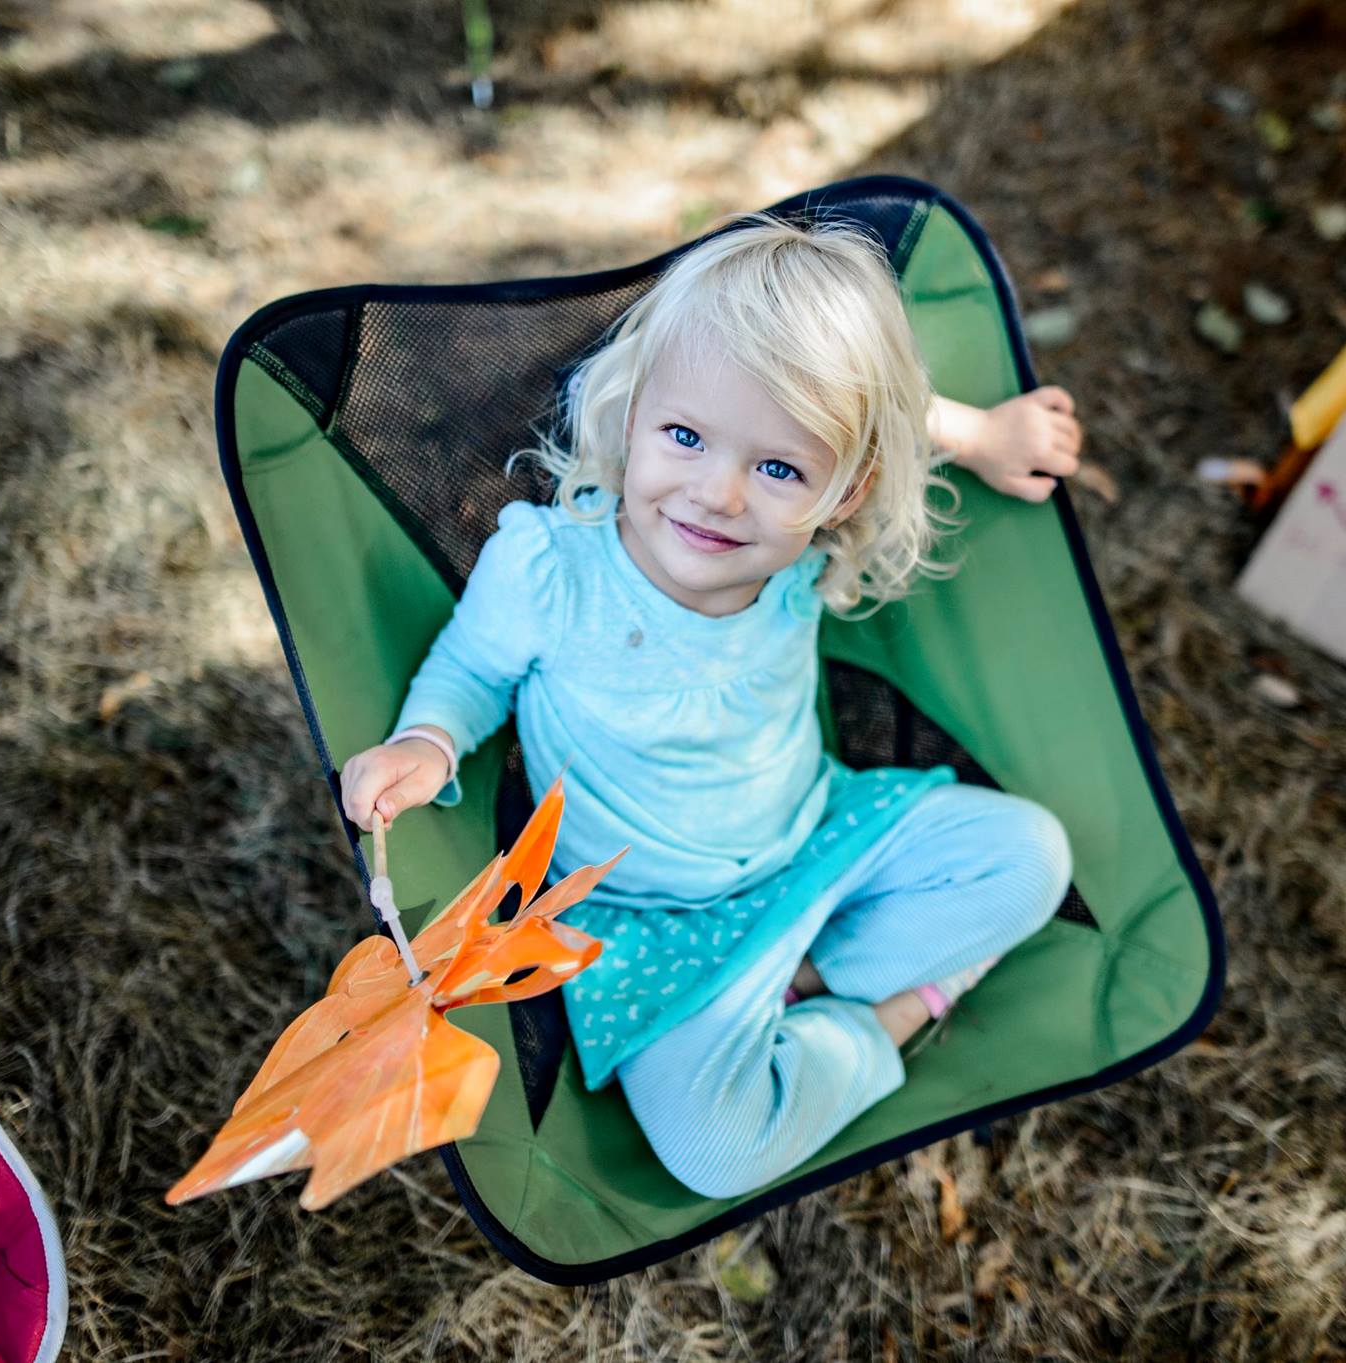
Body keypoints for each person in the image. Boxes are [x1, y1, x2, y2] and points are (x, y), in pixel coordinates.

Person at [337, 214, 1080, 1199]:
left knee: (1031, 855)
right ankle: (889, 1015)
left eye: (778, 469)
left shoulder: (800, 557)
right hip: (645, 920)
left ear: (842, 493)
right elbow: (472, 670)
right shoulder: (552, 568)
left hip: (813, 840)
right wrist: (426, 742)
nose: (718, 493)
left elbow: (883, 415)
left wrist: (980, 436)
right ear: (631, 413)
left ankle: (809, 980)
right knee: (716, 1150)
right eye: (684, 437)